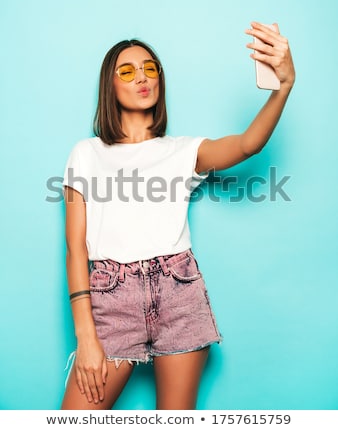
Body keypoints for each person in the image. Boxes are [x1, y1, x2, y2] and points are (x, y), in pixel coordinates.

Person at [61, 22, 295, 410]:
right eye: (128, 70)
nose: (142, 78)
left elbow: (248, 144)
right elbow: (74, 249)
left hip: (177, 292)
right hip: (111, 298)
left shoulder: (184, 150)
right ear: (110, 84)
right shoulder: (86, 153)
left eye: (150, 69)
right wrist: (86, 336)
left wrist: (282, 88)